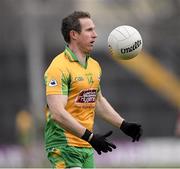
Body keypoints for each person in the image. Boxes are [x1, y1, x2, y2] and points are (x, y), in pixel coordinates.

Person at [44, 11, 142, 169]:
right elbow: (57, 113)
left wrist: (123, 125)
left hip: (86, 146)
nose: (95, 35)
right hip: (64, 145)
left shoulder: (94, 66)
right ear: (74, 34)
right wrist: (90, 136)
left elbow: (97, 101)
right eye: (89, 30)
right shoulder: (59, 67)